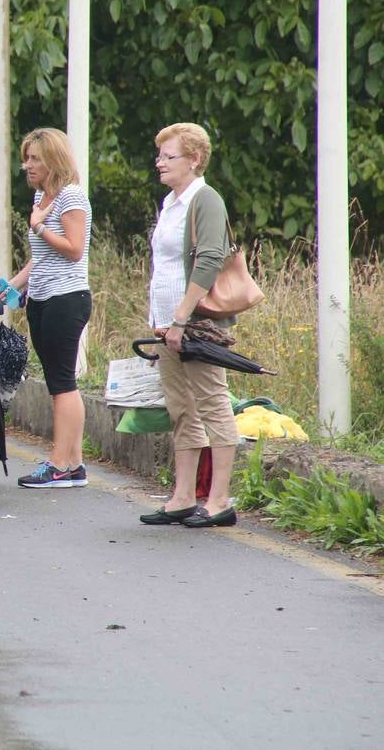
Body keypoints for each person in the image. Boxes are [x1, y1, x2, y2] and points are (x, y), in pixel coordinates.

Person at [139, 122, 240, 528]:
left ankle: (219, 500)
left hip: (193, 324)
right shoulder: (171, 202)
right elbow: (164, 265)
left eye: (169, 156)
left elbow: (210, 258)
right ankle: (183, 496)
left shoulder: (205, 199)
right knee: (181, 409)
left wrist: (181, 318)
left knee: (213, 404)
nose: (159, 162)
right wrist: (162, 322)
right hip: (167, 324)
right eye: (159, 155)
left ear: (195, 159)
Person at [0, 127, 93, 488]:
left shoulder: (71, 197)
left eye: (35, 158)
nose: (27, 165)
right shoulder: (42, 197)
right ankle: (73, 463)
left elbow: (73, 248)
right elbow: (41, 259)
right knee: (59, 383)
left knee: (62, 383)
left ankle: (60, 464)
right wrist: (10, 286)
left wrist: (38, 227)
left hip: (67, 299)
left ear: (54, 159)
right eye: (26, 157)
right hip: (42, 299)